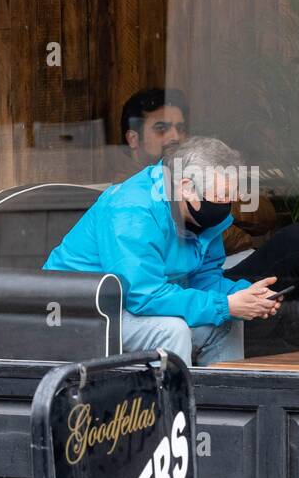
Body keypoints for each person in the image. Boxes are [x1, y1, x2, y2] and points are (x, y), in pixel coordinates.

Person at [119, 88, 299, 316]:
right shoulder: (132, 195)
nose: (174, 137)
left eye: (180, 128)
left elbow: (264, 215)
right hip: (201, 288)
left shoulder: (207, 170)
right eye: (161, 129)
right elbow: (152, 283)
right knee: (298, 240)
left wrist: (223, 205)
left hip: (225, 275)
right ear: (133, 139)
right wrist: (233, 226)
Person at [44, 136, 281, 365]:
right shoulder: (133, 209)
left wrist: (246, 296)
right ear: (187, 188)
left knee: (226, 321)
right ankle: (175, 405)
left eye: (232, 195)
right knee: (172, 329)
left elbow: (202, 280)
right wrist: (225, 304)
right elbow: (142, 295)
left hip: (129, 305)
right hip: (79, 312)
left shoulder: (201, 214)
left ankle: (222, 404)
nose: (229, 203)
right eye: (222, 196)